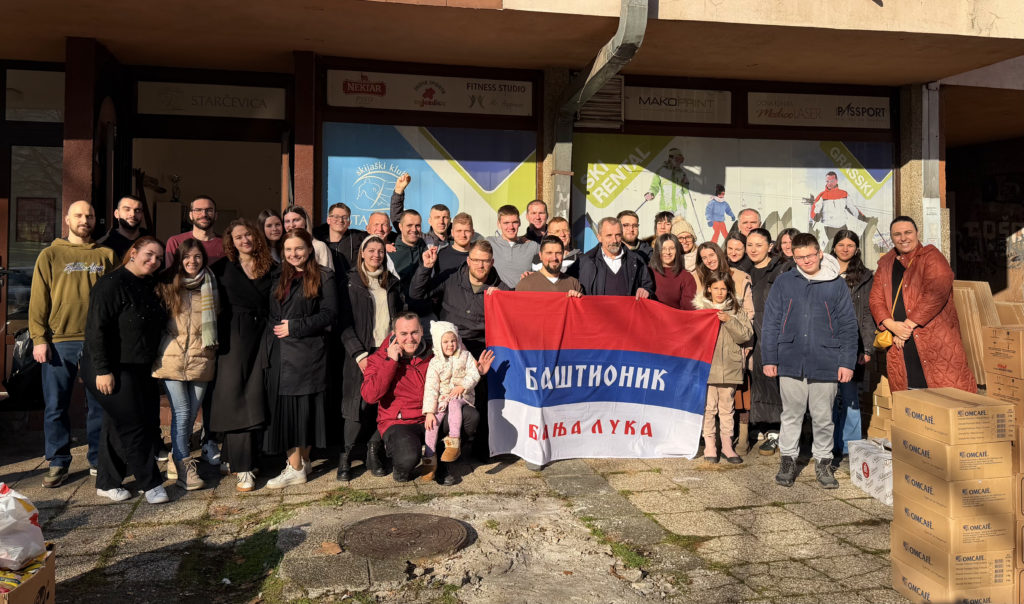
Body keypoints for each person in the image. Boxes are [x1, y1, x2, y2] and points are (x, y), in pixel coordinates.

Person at [29, 200, 117, 487]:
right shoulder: (50, 254)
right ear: (67, 220)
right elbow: (38, 299)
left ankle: (98, 459)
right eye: (78, 215)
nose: (84, 220)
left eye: (89, 215)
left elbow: (116, 298)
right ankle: (58, 461)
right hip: (59, 341)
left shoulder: (106, 255)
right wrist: (39, 338)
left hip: (97, 341)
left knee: (99, 404)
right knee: (56, 405)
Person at [761, 233, 858, 489]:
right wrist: (769, 357)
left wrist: (847, 362)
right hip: (790, 357)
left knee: (823, 416)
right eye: (800, 257)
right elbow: (771, 322)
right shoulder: (784, 282)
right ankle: (788, 460)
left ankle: (824, 462)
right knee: (791, 414)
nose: (806, 261)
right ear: (793, 257)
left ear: (820, 253)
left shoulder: (836, 284)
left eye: (810, 256)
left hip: (826, 359)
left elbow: (848, 325)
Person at [81, 237, 168, 504]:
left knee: (117, 423)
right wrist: (103, 370)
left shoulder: (148, 284)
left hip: (139, 366)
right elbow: (95, 329)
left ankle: (107, 482)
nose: (154, 261)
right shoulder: (111, 284)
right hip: (110, 367)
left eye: (159, 258)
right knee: (134, 424)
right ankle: (151, 483)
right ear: (133, 252)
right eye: (149, 254)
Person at [410, 241, 508, 460]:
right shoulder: (450, 278)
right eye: (476, 260)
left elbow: (517, 314)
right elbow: (417, 296)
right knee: (441, 399)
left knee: (480, 400)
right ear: (468, 260)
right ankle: (436, 451)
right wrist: (425, 269)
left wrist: (503, 298)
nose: (481, 265)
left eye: (485, 261)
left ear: (492, 262)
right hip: (449, 348)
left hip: (480, 347)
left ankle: (478, 448)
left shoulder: (499, 287)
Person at [360, 313, 481, 484]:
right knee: (408, 457)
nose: (410, 339)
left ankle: (442, 463)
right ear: (394, 334)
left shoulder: (434, 353)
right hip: (400, 421)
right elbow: (370, 396)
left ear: (422, 331)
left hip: (432, 415)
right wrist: (391, 362)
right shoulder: (379, 358)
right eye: (403, 334)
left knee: (469, 415)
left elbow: (459, 361)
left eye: (414, 332)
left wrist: (478, 371)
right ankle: (401, 468)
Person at [263, 229, 338, 489]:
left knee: (304, 412)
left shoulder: (324, 276)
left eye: (299, 248)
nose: (294, 254)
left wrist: (295, 327)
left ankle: (297, 467)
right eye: (288, 249)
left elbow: (330, 314)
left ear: (309, 249)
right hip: (280, 353)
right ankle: (299, 465)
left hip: (308, 356)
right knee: (287, 413)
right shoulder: (278, 276)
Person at [869, 216, 976, 392]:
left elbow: (936, 293)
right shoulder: (886, 263)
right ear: (891, 237)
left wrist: (907, 326)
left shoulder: (931, 257)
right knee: (909, 395)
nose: (903, 238)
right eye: (897, 234)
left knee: (944, 395)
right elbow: (876, 299)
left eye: (908, 232)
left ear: (917, 233)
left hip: (933, 339)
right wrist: (892, 326)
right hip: (899, 342)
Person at [208, 219, 275, 492]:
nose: (245, 240)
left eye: (248, 234)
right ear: (231, 242)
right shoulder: (221, 268)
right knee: (235, 397)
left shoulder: (272, 267)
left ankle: (236, 457)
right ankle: (243, 466)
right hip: (232, 339)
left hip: (263, 336)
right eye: (238, 237)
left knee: (256, 395)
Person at [151, 239, 218, 491]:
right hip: (172, 356)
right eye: (187, 256)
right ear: (179, 258)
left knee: (192, 411)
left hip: (202, 355)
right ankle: (183, 465)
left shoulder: (211, 283)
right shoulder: (167, 284)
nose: (192, 261)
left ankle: (176, 456)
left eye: (197, 256)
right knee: (181, 411)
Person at [338, 236, 399, 482]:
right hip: (360, 353)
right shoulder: (349, 281)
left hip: (385, 351)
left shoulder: (391, 282)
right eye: (371, 250)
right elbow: (343, 322)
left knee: (381, 403)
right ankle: (346, 457)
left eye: (380, 251)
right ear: (362, 253)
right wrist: (358, 354)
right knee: (357, 405)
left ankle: (374, 454)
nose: (376, 255)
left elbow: (399, 315)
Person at [694, 273, 753, 464]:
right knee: (709, 408)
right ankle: (710, 444)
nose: (719, 292)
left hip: (729, 367)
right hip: (708, 368)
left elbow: (746, 335)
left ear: (729, 290)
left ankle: (727, 446)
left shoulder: (736, 310)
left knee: (727, 409)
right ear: (708, 289)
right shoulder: (700, 310)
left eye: (723, 289)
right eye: (716, 288)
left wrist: (729, 320)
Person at [746, 228, 791, 456]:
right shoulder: (745, 271)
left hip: (774, 334)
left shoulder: (781, 270)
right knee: (757, 381)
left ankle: (776, 431)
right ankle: (762, 426)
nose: (753, 249)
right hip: (751, 334)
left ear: (770, 247)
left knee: (774, 382)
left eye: (759, 245)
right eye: (750, 245)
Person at [830, 230, 875, 458]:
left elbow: (867, 314)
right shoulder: (823, 271)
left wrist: (867, 347)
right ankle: (828, 443)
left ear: (856, 249)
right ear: (834, 247)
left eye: (850, 245)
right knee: (827, 397)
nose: (845, 249)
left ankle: (850, 446)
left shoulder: (865, 277)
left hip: (852, 343)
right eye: (841, 244)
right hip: (826, 343)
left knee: (850, 397)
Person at [421, 321, 482, 481]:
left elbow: (474, 373)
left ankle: (454, 442)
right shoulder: (435, 363)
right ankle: (429, 460)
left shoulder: (465, 356)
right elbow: (431, 388)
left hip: (463, 396)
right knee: (433, 423)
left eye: (453, 340)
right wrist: (429, 412)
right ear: (438, 343)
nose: (450, 345)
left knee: (454, 403)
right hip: (443, 399)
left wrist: (463, 386)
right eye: (446, 342)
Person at [579, 217, 653, 299]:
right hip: (596, 307)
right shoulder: (585, 261)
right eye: (609, 235)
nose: (614, 240)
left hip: (627, 307)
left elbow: (648, 287)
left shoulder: (636, 260)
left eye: (617, 235)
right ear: (599, 237)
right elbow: (574, 288)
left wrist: (646, 291)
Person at [695, 242, 754, 320]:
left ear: (719, 254)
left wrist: (732, 322)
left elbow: (749, 311)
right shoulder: (697, 279)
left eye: (712, 255)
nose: (709, 260)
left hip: (735, 324)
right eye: (704, 258)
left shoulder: (739, 277)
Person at [486, 205, 539, 288]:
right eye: (506, 223)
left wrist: (536, 276)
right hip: (497, 294)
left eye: (514, 222)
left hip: (523, 294)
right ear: (499, 224)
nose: (511, 227)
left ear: (519, 223)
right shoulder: (489, 243)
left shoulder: (532, 246)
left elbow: (552, 263)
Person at [166, 195, 224, 266]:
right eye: (198, 210)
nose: (204, 214)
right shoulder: (175, 242)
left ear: (216, 215)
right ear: (191, 215)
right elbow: (170, 272)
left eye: (209, 210)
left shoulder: (226, 243)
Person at [517, 236, 583, 295]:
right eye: (549, 253)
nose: (554, 258)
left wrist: (577, 300)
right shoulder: (525, 285)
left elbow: (582, 305)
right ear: (540, 255)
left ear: (563, 255)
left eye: (558, 253)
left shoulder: (574, 284)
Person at [811, 172, 867, 241]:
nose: (829, 183)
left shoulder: (844, 194)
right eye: (827, 181)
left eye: (832, 181)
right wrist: (816, 216)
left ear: (836, 181)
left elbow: (852, 208)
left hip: (842, 227)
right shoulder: (822, 196)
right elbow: (814, 211)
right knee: (832, 246)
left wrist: (863, 217)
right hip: (829, 228)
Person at [649, 234, 696, 310]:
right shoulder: (648, 273)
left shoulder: (686, 277)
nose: (668, 252)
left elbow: (687, 308)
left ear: (677, 250)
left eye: (671, 248)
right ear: (658, 251)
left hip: (675, 317)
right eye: (663, 249)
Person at [317, 202, 367, 274]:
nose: (340, 220)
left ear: (349, 222)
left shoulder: (359, 237)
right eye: (336, 217)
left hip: (352, 280)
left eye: (344, 217)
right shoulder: (319, 240)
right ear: (328, 220)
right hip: (328, 280)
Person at [283, 206, 334, 270]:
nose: (291, 225)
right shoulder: (281, 246)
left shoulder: (319, 246)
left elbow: (327, 274)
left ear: (305, 221)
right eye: (287, 221)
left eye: (296, 220)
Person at [389, 209, 427, 295]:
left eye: (417, 225)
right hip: (400, 301)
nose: (414, 229)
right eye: (409, 225)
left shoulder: (427, 247)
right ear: (400, 227)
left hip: (425, 301)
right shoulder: (390, 253)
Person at [644, 147, 690, 212]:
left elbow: (685, 192)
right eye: (677, 159)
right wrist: (651, 194)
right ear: (671, 158)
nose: (679, 163)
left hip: (680, 208)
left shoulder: (682, 173)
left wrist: (686, 184)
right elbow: (654, 186)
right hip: (666, 208)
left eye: (680, 160)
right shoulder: (661, 171)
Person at [436, 213, 475, 282]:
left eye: (467, 231)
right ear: (452, 232)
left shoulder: (479, 255)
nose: (463, 235)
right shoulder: (441, 255)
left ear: (473, 233)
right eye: (459, 231)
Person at [366, 211, 399, 276]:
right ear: (368, 229)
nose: (380, 229)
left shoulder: (398, 247)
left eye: (384, 225)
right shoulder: (359, 246)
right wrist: (382, 247)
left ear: (390, 229)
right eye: (376, 224)